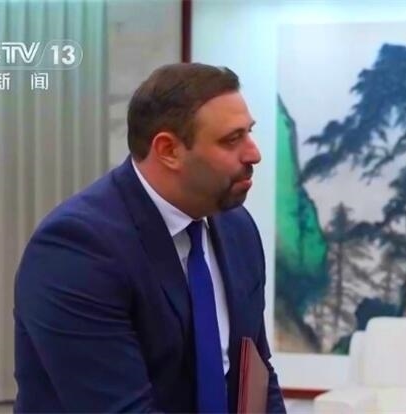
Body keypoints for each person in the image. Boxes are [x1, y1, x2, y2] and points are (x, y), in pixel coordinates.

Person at [14, 63, 286, 413]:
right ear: (168, 150)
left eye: (249, 132)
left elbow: (256, 376)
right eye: (232, 140)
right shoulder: (76, 248)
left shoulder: (237, 228)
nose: (254, 153)